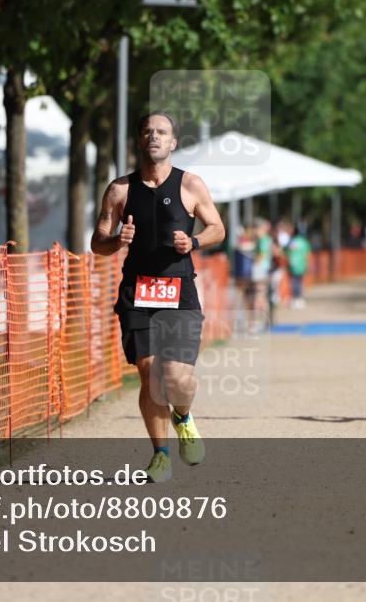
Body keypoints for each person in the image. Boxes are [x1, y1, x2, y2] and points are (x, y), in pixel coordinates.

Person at [91, 111, 225, 482]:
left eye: (162, 132)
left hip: (179, 290)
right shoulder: (120, 190)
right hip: (138, 291)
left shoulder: (191, 185)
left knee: (177, 377)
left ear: (173, 143)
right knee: (150, 374)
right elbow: (96, 243)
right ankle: (161, 455)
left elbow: (218, 228)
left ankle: (183, 416)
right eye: (147, 131)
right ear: (139, 141)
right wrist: (117, 241)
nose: (154, 137)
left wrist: (194, 241)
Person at [286, 224, 311, 308]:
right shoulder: (304, 242)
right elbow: (307, 254)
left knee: (294, 282)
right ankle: (300, 299)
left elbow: (287, 252)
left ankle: (296, 299)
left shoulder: (292, 241)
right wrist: (308, 264)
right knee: (300, 282)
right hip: (301, 265)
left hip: (293, 265)